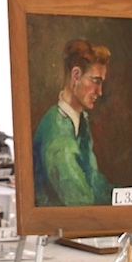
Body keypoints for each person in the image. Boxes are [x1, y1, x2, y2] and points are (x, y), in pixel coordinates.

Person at [32, 38, 113, 206]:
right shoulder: (56, 133)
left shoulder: (81, 121)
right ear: (76, 76)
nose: (99, 92)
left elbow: (96, 184)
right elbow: (79, 201)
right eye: (95, 81)